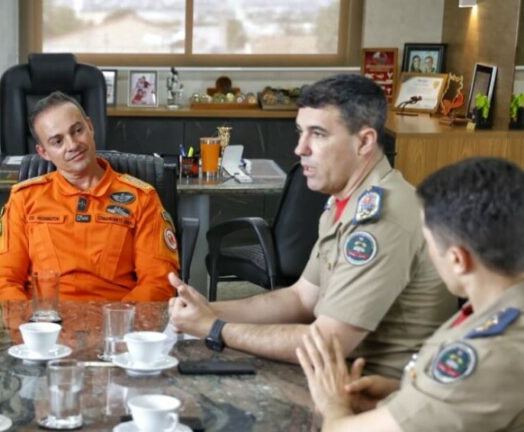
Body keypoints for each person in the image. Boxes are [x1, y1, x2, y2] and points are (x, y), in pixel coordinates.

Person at [296, 157, 524, 432]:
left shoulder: (490, 348)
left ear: (458, 259)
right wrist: (403, 393)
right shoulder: (497, 308)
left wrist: (333, 402)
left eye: (430, 247)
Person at [168, 74, 456, 377]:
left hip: (380, 393)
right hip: (340, 375)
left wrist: (215, 328)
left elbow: (327, 342)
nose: (300, 148)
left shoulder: (381, 219)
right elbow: (302, 298)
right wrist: (210, 309)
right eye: (300, 132)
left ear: (364, 142)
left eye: (317, 134)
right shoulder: (345, 200)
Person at [0, 91, 179, 302]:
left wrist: (119, 324)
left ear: (90, 127)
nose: (72, 145)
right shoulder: (24, 199)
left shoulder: (142, 198)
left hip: (117, 325)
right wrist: (31, 327)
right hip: (44, 324)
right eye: (57, 141)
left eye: (77, 131)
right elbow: (3, 280)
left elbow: (158, 281)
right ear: (44, 153)